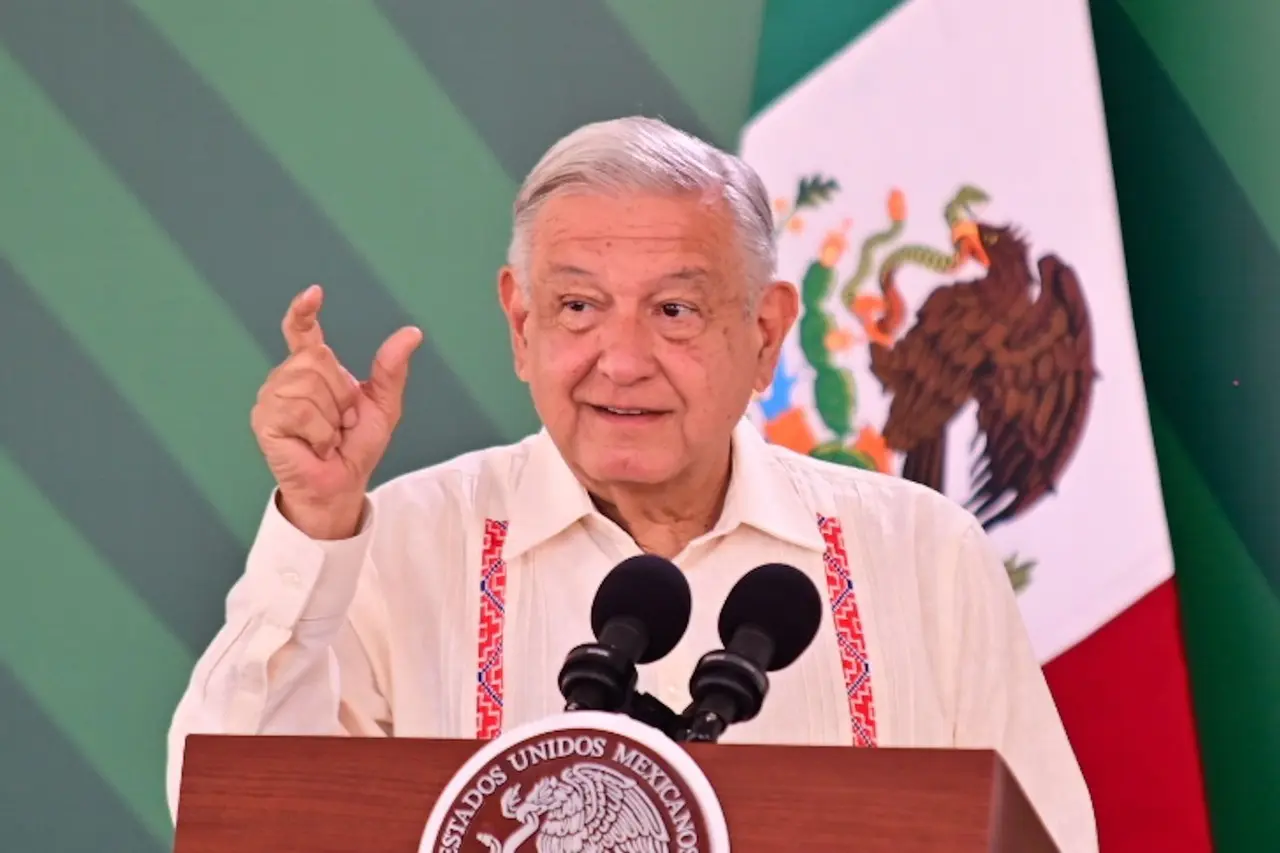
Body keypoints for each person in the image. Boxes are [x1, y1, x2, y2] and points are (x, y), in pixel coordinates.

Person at [166, 116, 1097, 851]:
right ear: (519, 321)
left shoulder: (922, 555)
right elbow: (228, 805)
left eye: (675, 309)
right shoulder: (399, 543)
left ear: (767, 332)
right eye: (578, 307)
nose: (621, 359)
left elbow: (1047, 840)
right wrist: (318, 527)